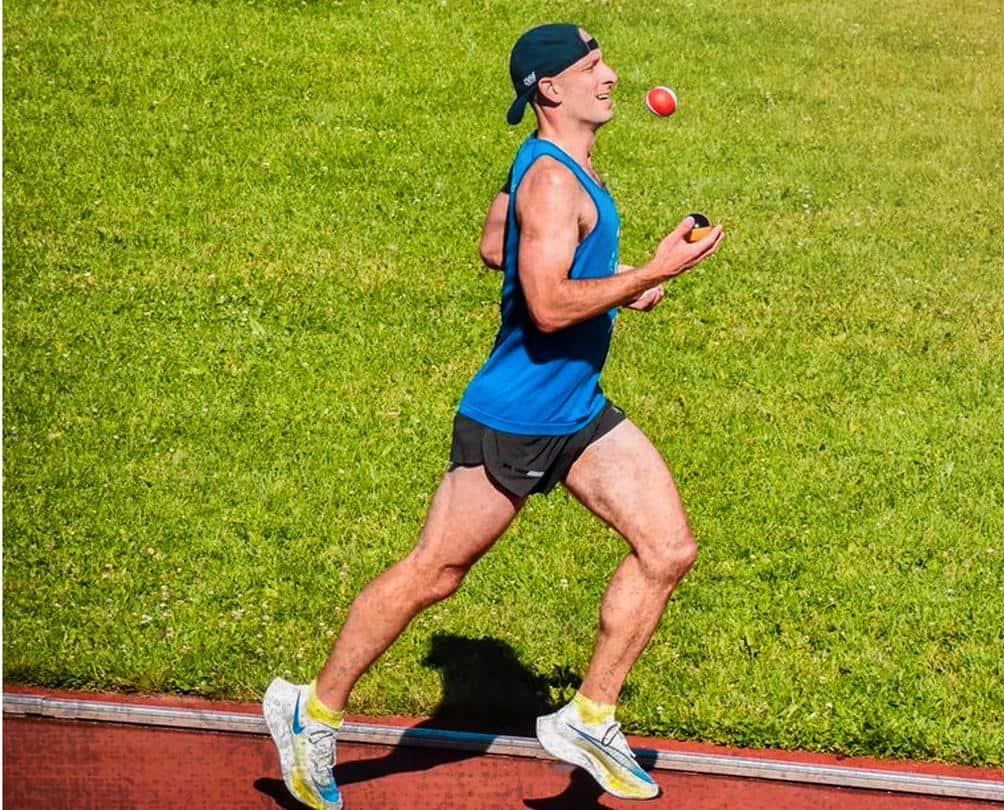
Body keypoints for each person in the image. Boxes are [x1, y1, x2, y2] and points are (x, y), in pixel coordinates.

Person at [262, 22, 724, 808]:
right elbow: (544, 307)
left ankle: (589, 713)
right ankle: (310, 710)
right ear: (551, 88)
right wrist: (649, 269)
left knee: (668, 547)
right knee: (434, 574)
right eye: (593, 65)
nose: (610, 75)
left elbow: (491, 244)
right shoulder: (551, 181)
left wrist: (611, 277)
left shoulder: (556, 167)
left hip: (574, 409)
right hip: (513, 418)